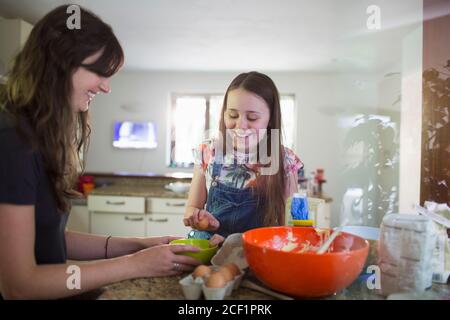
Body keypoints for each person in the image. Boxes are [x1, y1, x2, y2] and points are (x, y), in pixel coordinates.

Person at [0, 5, 201, 300]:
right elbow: (19, 285)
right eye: (99, 72)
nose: (106, 88)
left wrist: (138, 246)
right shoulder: (12, 140)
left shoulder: (35, 135)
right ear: (61, 62)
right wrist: (134, 265)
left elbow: (50, 239)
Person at [183, 71, 303, 240]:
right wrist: (200, 219)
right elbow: (191, 208)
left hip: (257, 254)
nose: (240, 125)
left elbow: (292, 225)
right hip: (210, 249)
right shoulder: (208, 152)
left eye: (252, 117)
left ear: (270, 119)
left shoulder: (285, 160)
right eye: (232, 115)